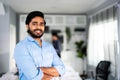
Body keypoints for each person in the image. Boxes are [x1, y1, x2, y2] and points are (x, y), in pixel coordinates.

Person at [14, 11, 65, 80]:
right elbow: (33, 76)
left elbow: (62, 69)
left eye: (41, 24)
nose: (38, 27)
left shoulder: (49, 47)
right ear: (27, 26)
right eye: (34, 24)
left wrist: (38, 69)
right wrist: (51, 73)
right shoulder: (21, 47)